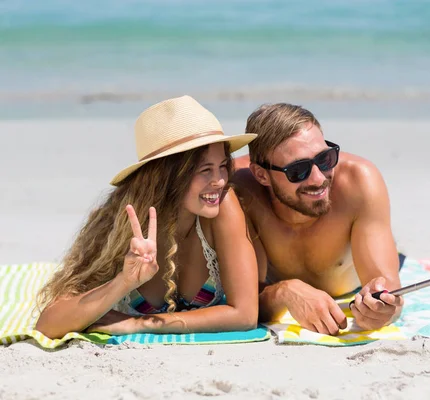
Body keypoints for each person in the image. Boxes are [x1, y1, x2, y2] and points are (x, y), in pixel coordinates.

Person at [35, 95, 259, 339]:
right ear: (168, 175)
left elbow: (245, 315)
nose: (219, 181)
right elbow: (48, 325)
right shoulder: (122, 223)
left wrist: (140, 323)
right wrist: (124, 282)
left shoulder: (223, 207)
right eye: (205, 170)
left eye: (223, 166)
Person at [232, 103, 405, 335]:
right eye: (297, 170)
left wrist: (381, 309)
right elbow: (244, 301)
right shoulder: (240, 191)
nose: (318, 179)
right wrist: (285, 291)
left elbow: (390, 290)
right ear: (261, 174)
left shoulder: (359, 181)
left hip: (351, 283)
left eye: (325, 159)